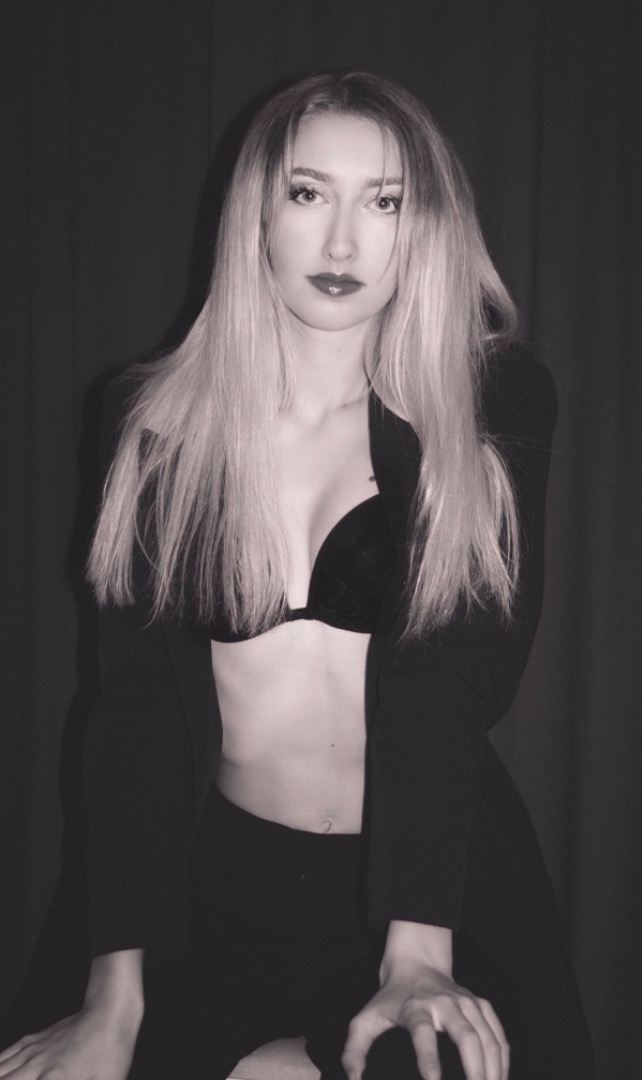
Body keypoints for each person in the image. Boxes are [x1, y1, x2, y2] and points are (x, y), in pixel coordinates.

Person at [0, 72, 594, 1080]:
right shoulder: (152, 419)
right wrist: (113, 999)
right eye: (308, 193)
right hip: (205, 882)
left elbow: (449, 679)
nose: (342, 243)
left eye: (384, 201)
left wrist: (417, 957)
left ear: (424, 227)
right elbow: (137, 710)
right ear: (256, 214)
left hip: (421, 885)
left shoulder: (491, 402)